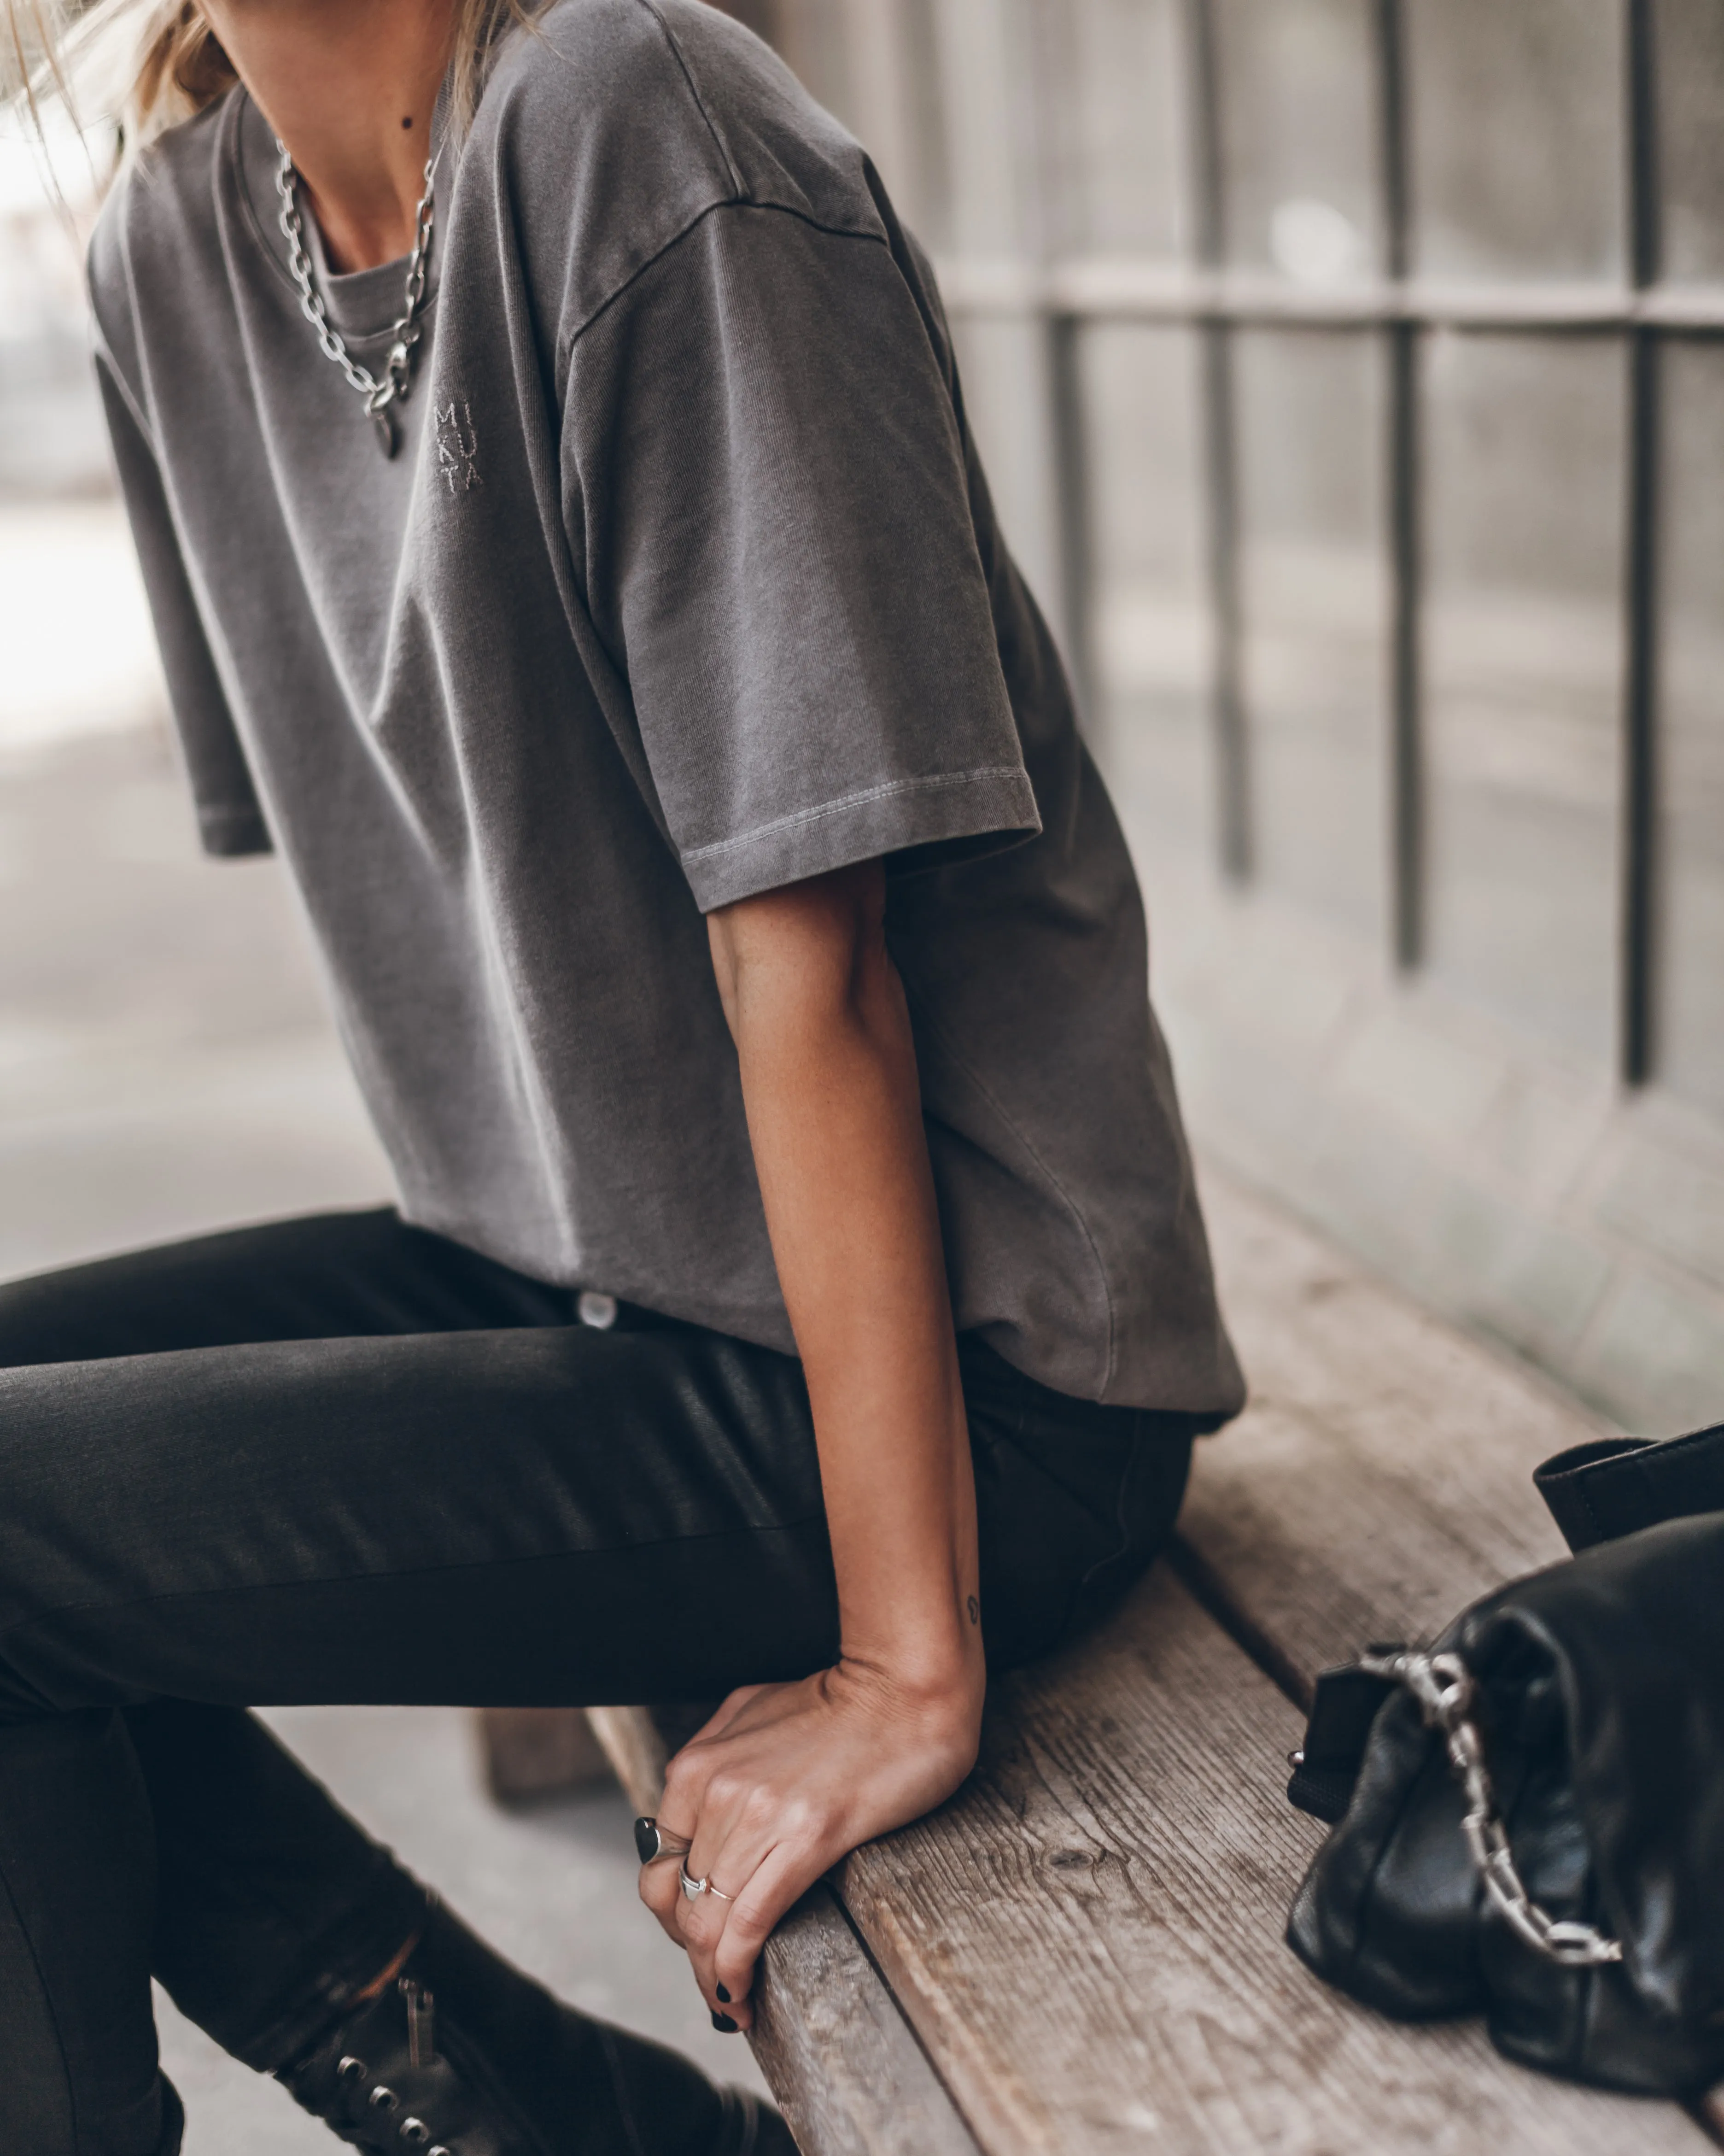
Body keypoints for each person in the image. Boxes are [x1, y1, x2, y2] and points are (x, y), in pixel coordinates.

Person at [0, 1, 1245, 2150]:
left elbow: (813, 971)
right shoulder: (166, 259)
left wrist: (896, 1667)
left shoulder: (631, 123)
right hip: (574, 1266)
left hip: (976, 1390)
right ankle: (524, 2110)